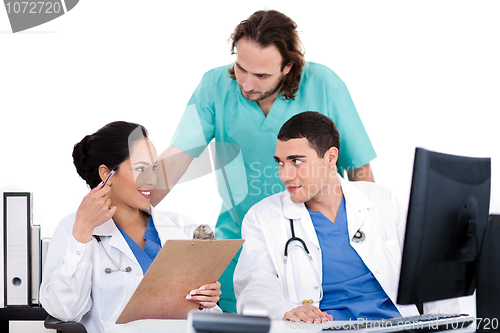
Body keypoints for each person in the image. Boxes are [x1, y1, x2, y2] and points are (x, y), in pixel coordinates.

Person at [152, 10, 377, 312]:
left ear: (288, 67)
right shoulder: (215, 85)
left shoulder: (324, 84)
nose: (245, 84)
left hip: (319, 241)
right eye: (241, 68)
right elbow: (177, 159)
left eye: (261, 75)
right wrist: (130, 203)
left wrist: (372, 237)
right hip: (240, 239)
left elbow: (359, 168)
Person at [233, 112, 460, 322]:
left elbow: (429, 271)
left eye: (297, 161)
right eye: (280, 163)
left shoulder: (382, 200)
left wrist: (447, 323)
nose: (285, 174)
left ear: (331, 157)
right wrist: (285, 310)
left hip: (395, 325)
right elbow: (254, 284)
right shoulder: (262, 217)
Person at [40, 121, 221, 333]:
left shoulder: (182, 226)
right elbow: (65, 311)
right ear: (106, 173)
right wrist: (83, 231)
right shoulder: (73, 228)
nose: (152, 179)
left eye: (153, 168)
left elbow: (209, 318)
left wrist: (207, 301)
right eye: (141, 168)